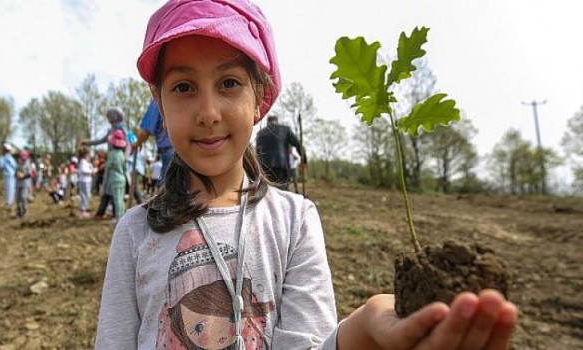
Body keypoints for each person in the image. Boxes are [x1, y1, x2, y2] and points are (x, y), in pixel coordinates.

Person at [95, 0, 518, 349]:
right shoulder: (135, 232)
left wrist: (361, 330)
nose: (208, 114)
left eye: (229, 83)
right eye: (183, 87)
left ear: (260, 98)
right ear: (159, 103)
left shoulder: (294, 221)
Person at [256, 115, 305, 190]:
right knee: (282, 192)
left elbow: (258, 154)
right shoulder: (286, 130)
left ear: (267, 122)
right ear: (277, 121)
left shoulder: (260, 133)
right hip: (281, 166)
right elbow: (298, 144)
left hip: (265, 169)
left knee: (268, 193)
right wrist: (304, 159)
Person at [132, 100, 173, 187]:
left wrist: (137, 143)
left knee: (167, 188)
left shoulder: (159, 99)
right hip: (188, 148)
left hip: (169, 150)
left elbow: (145, 132)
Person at [93, 129, 127, 223]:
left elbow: (108, 165)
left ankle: (118, 217)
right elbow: (125, 167)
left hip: (114, 179)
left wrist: (102, 166)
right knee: (121, 198)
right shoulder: (122, 154)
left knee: (116, 199)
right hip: (122, 178)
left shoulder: (112, 153)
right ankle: (122, 216)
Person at [0, 143, 18, 211]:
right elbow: (15, 166)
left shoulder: (2, 158)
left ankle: (9, 203)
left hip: (7, 175)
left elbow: (0, 166)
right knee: (11, 189)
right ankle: (10, 203)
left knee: (8, 189)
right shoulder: (10, 158)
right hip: (11, 175)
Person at [77, 146, 94, 218]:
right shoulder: (83, 162)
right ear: (85, 155)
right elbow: (83, 170)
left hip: (87, 181)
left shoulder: (86, 162)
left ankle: (83, 210)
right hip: (84, 181)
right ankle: (82, 211)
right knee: (84, 196)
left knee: (86, 195)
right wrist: (91, 171)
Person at [14, 149, 32, 218]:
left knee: (23, 197)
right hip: (18, 184)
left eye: (24, 159)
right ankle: (19, 212)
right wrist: (17, 175)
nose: (22, 160)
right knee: (18, 198)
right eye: (21, 158)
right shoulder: (17, 164)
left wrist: (23, 176)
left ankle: (25, 211)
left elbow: (30, 174)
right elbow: (15, 173)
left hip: (25, 184)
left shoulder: (28, 164)